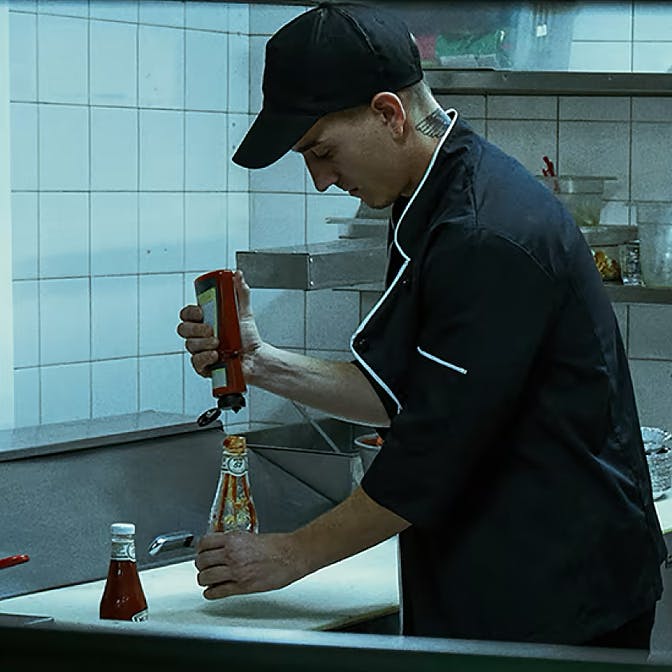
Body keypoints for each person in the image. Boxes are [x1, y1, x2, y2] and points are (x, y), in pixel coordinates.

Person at [177, 1, 666, 650]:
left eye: (321, 151)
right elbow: (402, 393)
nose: (321, 179)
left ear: (388, 113)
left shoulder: (483, 232)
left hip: (556, 597)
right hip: (494, 580)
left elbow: (432, 451)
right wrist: (261, 362)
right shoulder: (432, 202)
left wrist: (289, 555)